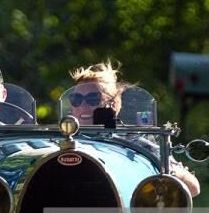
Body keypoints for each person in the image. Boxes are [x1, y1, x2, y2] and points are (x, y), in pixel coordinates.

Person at [68, 61, 201, 197]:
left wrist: (166, 170)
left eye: (92, 98)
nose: (83, 105)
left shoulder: (135, 140)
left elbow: (193, 188)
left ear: (112, 104)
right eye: (76, 99)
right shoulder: (61, 141)